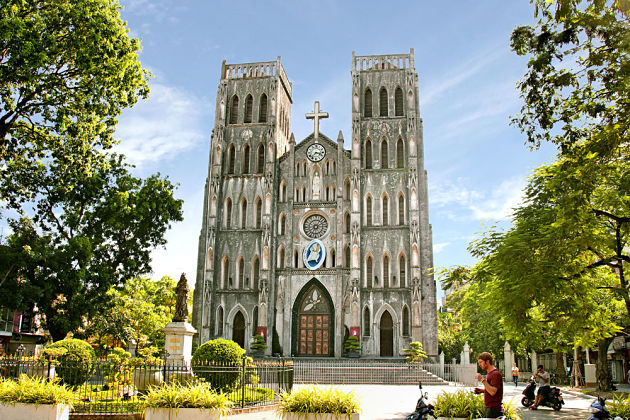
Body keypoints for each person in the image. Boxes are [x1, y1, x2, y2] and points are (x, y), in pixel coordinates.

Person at [474, 352, 503, 418]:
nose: (479, 365)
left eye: (481, 362)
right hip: (490, 408)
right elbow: (492, 389)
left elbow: (493, 392)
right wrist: (482, 391)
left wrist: (482, 379)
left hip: (493, 409)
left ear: (487, 362)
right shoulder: (490, 373)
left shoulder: (495, 374)